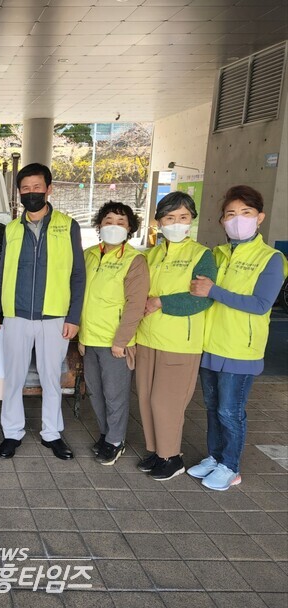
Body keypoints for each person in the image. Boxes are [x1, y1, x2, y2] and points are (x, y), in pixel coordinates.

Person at [187, 185, 288, 490]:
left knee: (230, 411)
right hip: (210, 345)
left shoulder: (271, 259)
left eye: (246, 213)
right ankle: (216, 457)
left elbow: (260, 305)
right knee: (212, 405)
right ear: (222, 221)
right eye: (231, 214)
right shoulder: (216, 254)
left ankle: (231, 466)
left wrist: (214, 291)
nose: (238, 219)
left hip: (240, 350)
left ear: (260, 218)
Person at [0, 163, 86, 460]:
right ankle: (12, 433)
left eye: (37, 187)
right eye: (26, 189)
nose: (32, 193)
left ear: (49, 188)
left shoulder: (68, 225)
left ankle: (52, 433)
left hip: (54, 317)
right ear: (19, 193)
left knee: (49, 378)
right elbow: (2, 273)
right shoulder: (11, 229)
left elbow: (78, 275)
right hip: (16, 315)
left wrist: (73, 317)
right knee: (14, 377)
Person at [135, 191, 217, 481]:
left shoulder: (201, 255)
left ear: (191, 220)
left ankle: (172, 457)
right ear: (158, 221)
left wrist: (161, 302)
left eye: (183, 217)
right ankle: (157, 452)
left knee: (165, 402)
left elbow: (202, 299)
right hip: (148, 338)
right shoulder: (152, 254)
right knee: (145, 398)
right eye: (170, 217)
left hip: (179, 343)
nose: (177, 222)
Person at [79, 202, 149, 465]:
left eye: (120, 222)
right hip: (90, 338)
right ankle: (106, 434)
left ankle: (116, 441)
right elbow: (81, 298)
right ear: (99, 226)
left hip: (115, 343)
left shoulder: (134, 260)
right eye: (108, 221)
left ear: (129, 228)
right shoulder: (89, 256)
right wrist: (82, 338)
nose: (113, 226)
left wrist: (122, 341)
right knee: (95, 392)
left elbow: (135, 304)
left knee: (115, 394)